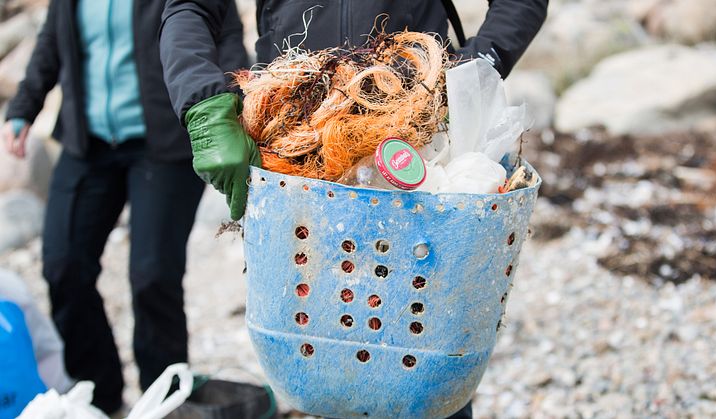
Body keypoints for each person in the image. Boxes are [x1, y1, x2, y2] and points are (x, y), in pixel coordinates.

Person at [159, 1, 548, 417]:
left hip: (418, 146)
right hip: (295, 142)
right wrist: (207, 103)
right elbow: (191, 7)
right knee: (320, 346)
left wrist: (473, 70)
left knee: (421, 339)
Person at [2, 0, 247, 414]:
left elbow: (221, 31)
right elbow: (51, 39)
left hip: (164, 144)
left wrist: (233, 104)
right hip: (88, 144)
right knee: (64, 266)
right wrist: (24, 107)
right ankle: (99, 398)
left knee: (152, 276)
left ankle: (165, 401)